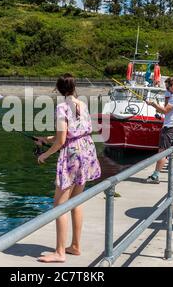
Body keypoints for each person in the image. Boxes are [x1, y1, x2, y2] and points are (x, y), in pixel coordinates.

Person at [34, 73, 101, 263]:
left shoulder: (62, 107)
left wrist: (44, 155)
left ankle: (60, 252)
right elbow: (71, 133)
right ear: (74, 87)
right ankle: (76, 246)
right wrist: (44, 139)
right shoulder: (83, 105)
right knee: (76, 201)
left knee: (59, 205)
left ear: (58, 89)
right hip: (86, 150)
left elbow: (62, 140)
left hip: (72, 155)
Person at [146, 77, 173, 184]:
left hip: (169, 129)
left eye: (168, 87)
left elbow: (165, 110)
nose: (167, 90)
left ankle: (155, 176)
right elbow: (167, 111)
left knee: (162, 152)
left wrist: (153, 104)